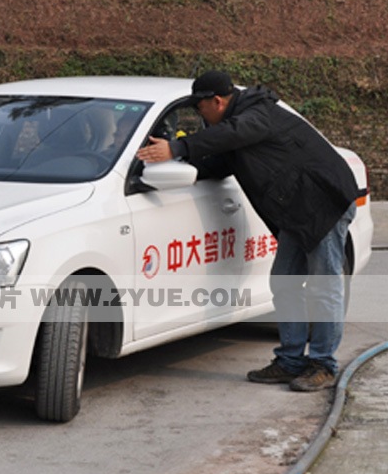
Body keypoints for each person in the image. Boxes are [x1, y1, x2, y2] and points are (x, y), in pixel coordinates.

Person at [136, 70, 361, 391]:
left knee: (324, 288)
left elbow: (235, 132)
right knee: (284, 283)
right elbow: (222, 161)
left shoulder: (258, 113)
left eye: (200, 109)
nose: (199, 116)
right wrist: (182, 166)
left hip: (322, 203)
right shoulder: (236, 128)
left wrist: (178, 148)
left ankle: (323, 364)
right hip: (296, 211)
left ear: (216, 101)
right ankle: (291, 360)